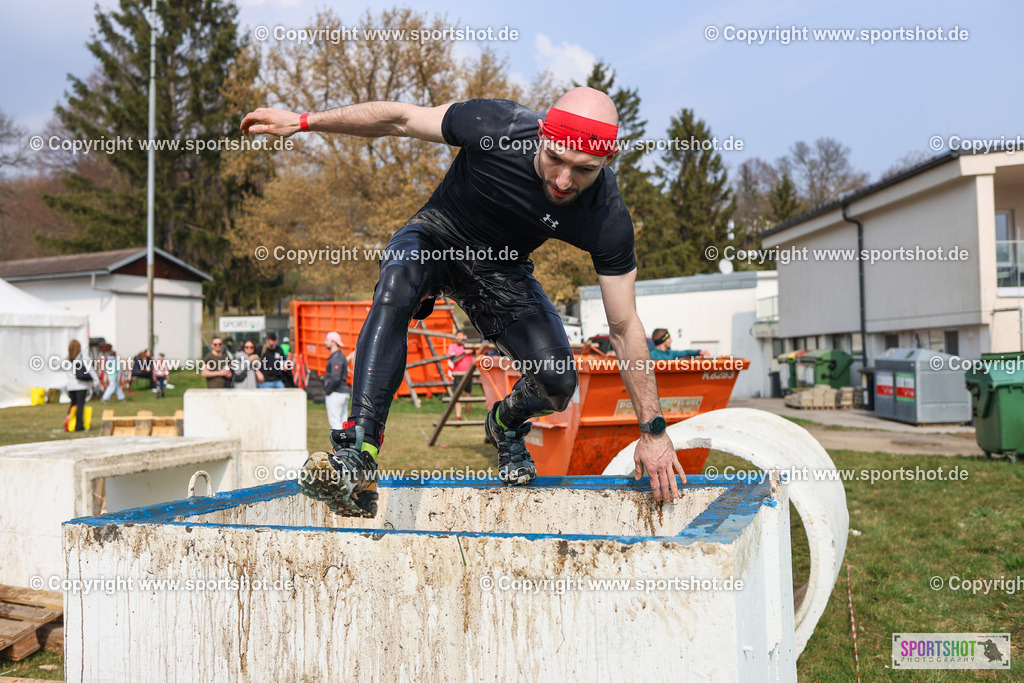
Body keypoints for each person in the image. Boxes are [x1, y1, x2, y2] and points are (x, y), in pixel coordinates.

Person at [242, 87, 684, 517]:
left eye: (583, 170)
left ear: (608, 160)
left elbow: (624, 327)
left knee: (557, 383)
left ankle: (506, 423)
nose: (563, 180)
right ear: (543, 136)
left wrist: (653, 431)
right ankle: (359, 451)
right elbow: (399, 118)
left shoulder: (607, 217)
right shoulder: (497, 124)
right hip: (435, 237)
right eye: (554, 159)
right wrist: (303, 122)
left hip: (501, 272)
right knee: (398, 281)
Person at [66, 339, 97, 431]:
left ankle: (68, 424)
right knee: (80, 406)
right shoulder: (82, 359)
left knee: (72, 405)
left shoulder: (67, 359)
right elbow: (90, 370)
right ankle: (79, 426)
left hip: (71, 387)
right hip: (81, 386)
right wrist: (96, 381)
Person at [322, 331, 351, 430]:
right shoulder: (340, 356)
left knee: (335, 422)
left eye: (327, 340)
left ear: (333, 342)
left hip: (336, 393)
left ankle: (338, 444)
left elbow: (335, 378)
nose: (325, 342)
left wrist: (328, 390)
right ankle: (345, 445)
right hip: (343, 392)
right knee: (343, 423)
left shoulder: (336, 357)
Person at [446, 331, 474, 420]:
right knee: (458, 395)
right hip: (457, 374)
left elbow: (475, 358)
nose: (458, 338)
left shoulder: (470, 346)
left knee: (468, 395)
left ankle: (467, 416)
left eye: (460, 336)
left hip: (468, 374)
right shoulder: (452, 347)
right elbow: (454, 360)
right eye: (457, 336)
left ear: (464, 337)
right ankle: (458, 416)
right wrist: (465, 352)